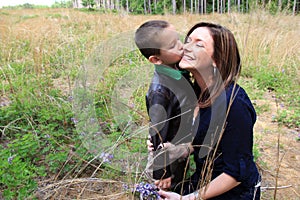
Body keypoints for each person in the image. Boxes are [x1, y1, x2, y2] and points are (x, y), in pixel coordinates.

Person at [155, 22, 261, 199]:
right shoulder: (196, 93)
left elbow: (236, 173)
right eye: (187, 41)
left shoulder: (233, 104)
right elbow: (204, 138)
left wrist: (187, 199)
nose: (185, 48)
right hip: (203, 181)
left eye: (198, 44)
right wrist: (178, 150)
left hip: (232, 192)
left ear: (216, 60)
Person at [134, 20, 197, 191]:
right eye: (172, 46)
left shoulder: (178, 69)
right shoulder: (160, 92)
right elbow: (158, 132)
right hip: (166, 153)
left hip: (180, 147)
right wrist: (161, 171)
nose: (180, 46)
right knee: (163, 190)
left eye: (178, 40)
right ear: (156, 59)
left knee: (180, 181)